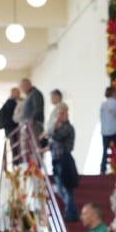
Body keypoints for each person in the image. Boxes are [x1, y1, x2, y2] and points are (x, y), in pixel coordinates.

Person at [46, 93, 79, 221]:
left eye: (61, 114)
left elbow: (55, 136)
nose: (59, 116)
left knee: (66, 188)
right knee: (60, 187)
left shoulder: (68, 128)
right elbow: (52, 142)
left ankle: (71, 213)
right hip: (56, 159)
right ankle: (71, 210)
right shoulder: (61, 127)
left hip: (64, 159)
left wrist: (55, 124)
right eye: (58, 114)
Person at [99, 86, 116, 173]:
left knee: (105, 151)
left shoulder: (103, 104)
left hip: (105, 131)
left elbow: (101, 118)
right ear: (113, 93)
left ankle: (103, 169)